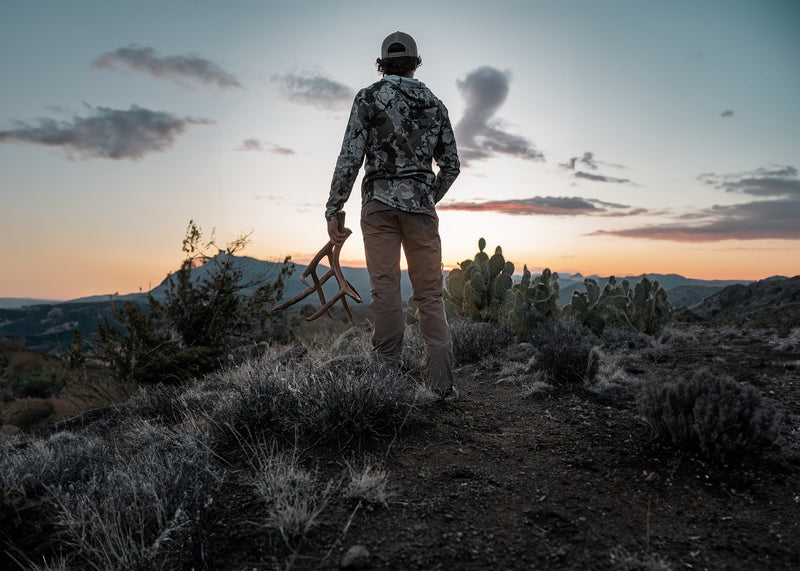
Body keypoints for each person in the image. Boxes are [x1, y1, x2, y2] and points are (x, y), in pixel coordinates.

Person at [325, 31, 460, 399]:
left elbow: (350, 158)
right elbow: (451, 166)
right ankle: (442, 387)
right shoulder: (435, 104)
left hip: (378, 207)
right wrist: (427, 197)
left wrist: (334, 208)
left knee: (385, 291)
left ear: (382, 64)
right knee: (430, 297)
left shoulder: (368, 98)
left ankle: (386, 384)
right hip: (420, 209)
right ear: (416, 64)